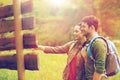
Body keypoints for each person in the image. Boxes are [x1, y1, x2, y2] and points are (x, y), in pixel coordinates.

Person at [79, 15, 108, 80]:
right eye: (81, 26)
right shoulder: (89, 42)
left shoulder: (98, 43)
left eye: (84, 26)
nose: (81, 28)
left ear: (92, 28)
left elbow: (100, 69)